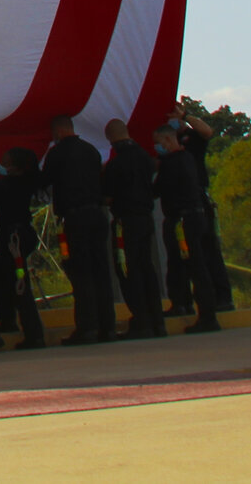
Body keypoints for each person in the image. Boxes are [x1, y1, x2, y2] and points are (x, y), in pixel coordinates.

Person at [44, 114, 115, 345]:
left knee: (81, 273)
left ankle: (87, 327)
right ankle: (108, 326)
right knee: (101, 271)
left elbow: (45, 180)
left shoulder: (57, 154)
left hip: (75, 217)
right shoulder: (91, 151)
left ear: (58, 131)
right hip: (97, 214)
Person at [154, 122, 224, 335]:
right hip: (196, 216)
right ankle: (183, 303)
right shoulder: (188, 159)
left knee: (195, 266)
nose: (157, 147)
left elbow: (158, 190)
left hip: (183, 220)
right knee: (183, 264)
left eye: (158, 143)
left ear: (167, 140)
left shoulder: (172, 163)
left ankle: (206, 315)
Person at [103, 119, 164, 341]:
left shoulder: (115, 165)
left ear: (110, 138)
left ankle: (141, 320)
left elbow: (108, 196)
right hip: (145, 218)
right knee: (147, 268)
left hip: (125, 221)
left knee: (128, 269)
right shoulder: (146, 159)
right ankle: (157, 321)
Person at [0, 146, 46, 350]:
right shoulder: (29, 182)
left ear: (13, 165)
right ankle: (8, 319)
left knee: (19, 282)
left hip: (14, 239)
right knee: (5, 274)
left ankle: (33, 333)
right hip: (23, 234)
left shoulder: (6, 185)